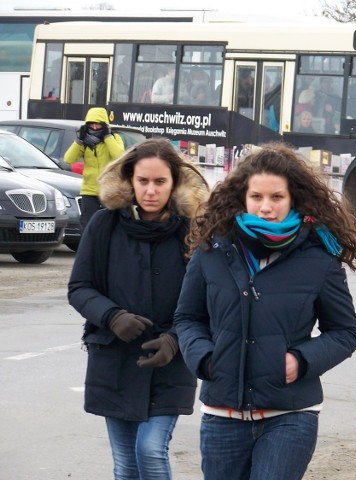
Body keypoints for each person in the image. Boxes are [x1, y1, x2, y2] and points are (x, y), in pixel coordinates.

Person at [173, 143, 356, 480]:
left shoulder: (319, 258)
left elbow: (345, 332)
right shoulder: (212, 249)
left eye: (276, 197)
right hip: (223, 412)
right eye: (256, 197)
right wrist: (204, 359)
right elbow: (188, 318)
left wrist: (302, 360)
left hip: (290, 413)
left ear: (294, 200)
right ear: (242, 198)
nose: (265, 208)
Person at [67, 138, 210, 479]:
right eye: (143, 181)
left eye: (159, 182)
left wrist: (176, 339)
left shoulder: (194, 231)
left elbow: (209, 299)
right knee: (126, 463)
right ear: (130, 179)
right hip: (114, 356)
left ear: (174, 183)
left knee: (149, 450)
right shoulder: (104, 225)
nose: (150, 190)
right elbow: (79, 287)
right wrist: (112, 316)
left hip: (172, 360)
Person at [64, 107, 125, 230]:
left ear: (105, 125)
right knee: (88, 224)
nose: (95, 128)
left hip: (109, 189)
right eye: (91, 124)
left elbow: (119, 156)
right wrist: (79, 140)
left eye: (98, 124)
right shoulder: (85, 142)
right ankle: (89, 248)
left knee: (109, 224)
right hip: (89, 190)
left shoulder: (115, 138)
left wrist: (107, 137)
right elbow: (68, 158)